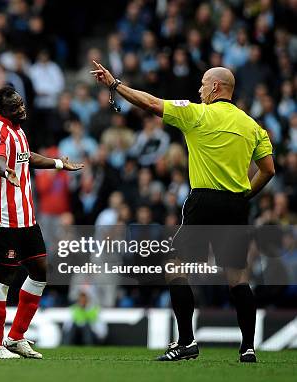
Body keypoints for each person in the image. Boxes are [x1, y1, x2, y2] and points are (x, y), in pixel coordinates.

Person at [91, 62, 275, 363]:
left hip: (204, 201)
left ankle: (187, 342)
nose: (199, 89)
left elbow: (149, 102)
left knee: (174, 265)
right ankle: (248, 347)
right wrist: (246, 195)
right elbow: (268, 169)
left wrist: (115, 85)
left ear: (216, 87)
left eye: (203, 83)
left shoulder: (196, 113)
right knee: (238, 278)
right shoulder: (252, 126)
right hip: (236, 205)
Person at [0, 86, 83, 359]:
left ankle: (16, 337)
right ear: (1, 110)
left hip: (25, 216)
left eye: (22, 103)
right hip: (1, 217)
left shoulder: (19, 131)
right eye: (15, 106)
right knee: (3, 276)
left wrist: (59, 164)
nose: (22, 108)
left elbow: (27, 159)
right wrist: (6, 172)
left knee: (40, 271)